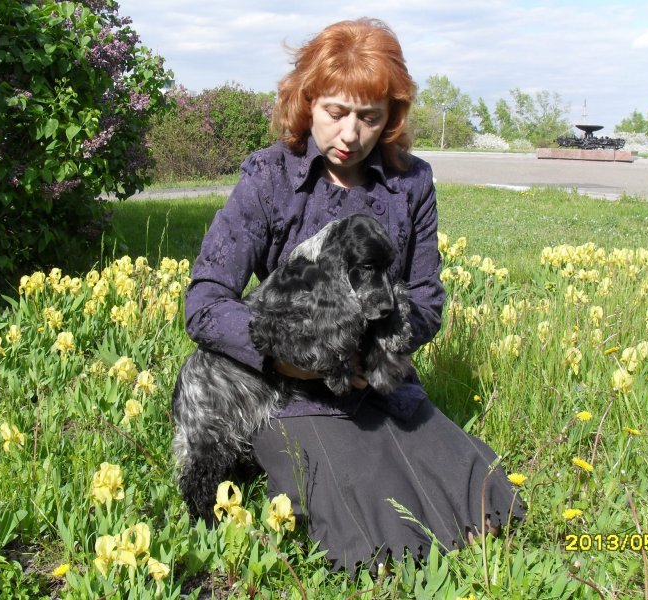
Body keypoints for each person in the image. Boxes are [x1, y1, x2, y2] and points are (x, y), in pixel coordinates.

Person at [184, 17, 524, 572]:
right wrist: (284, 359)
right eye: (335, 113)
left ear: (391, 118)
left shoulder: (411, 183)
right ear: (307, 101)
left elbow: (426, 299)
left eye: (370, 117)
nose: (350, 135)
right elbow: (204, 303)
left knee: (483, 501)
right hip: (287, 390)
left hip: (380, 381)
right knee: (374, 532)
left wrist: (376, 356)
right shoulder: (270, 176)